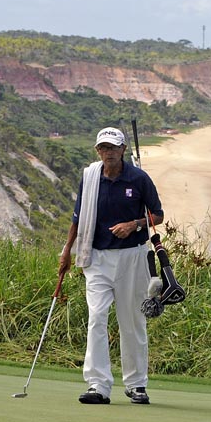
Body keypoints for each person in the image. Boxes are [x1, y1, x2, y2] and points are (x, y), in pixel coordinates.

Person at [60, 127, 164, 405]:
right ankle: (98, 384)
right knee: (97, 317)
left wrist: (134, 225)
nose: (108, 152)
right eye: (103, 148)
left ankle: (136, 384)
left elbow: (158, 215)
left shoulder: (139, 178)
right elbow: (77, 216)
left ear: (122, 150)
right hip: (96, 258)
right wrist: (67, 250)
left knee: (132, 321)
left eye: (113, 148)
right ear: (98, 151)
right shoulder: (90, 177)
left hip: (132, 256)